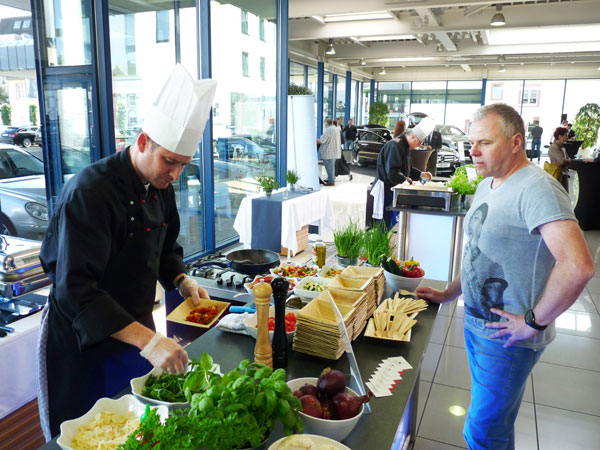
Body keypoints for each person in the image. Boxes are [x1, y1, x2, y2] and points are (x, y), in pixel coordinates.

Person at [36, 65, 217, 439]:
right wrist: (149, 341)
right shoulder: (91, 191)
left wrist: (182, 280)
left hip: (134, 332)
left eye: (184, 165)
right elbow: (76, 289)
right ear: (141, 141)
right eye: (170, 160)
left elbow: (166, 247)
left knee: (133, 430)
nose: (176, 175)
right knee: (91, 435)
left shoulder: (160, 185)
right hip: (83, 342)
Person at [417, 103, 594, 450]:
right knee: (493, 422)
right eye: (472, 143)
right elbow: (478, 252)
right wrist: (450, 293)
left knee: (483, 433)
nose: (474, 151)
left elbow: (579, 265)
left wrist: (533, 322)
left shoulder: (537, 188)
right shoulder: (490, 184)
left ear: (516, 142)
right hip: (478, 325)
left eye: (485, 142)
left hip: (508, 339)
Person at [371, 117, 434, 228]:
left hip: (393, 188)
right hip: (386, 188)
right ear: (413, 136)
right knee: (386, 225)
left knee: (391, 223)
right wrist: (409, 182)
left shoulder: (404, 145)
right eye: (419, 142)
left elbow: (407, 168)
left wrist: (420, 174)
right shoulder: (396, 145)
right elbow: (393, 173)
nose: (418, 145)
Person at [317, 118, 341, 186]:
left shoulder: (328, 130)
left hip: (328, 152)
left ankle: (331, 181)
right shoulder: (336, 129)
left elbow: (322, 141)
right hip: (335, 152)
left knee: (329, 167)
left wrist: (317, 140)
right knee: (332, 167)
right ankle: (331, 179)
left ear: (327, 123)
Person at [548, 126, 571, 192]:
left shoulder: (562, 147)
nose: (567, 137)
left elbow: (566, 159)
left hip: (564, 173)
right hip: (557, 175)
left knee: (565, 195)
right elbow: (561, 161)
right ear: (560, 136)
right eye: (565, 135)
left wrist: (567, 160)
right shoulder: (554, 147)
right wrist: (568, 160)